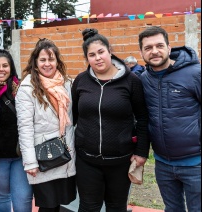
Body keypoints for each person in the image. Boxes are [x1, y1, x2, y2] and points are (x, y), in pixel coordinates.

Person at [71, 28, 149, 212]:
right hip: (86, 160)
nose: (97, 58)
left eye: (101, 52)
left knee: (116, 207)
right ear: (87, 58)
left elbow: (143, 118)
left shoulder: (131, 80)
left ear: (109, 51)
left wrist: (142, 151)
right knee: (88, 207)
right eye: (92, 55)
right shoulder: (81, 81)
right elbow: (73, 116)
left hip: (120, 161)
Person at [138, 26, 201, 212]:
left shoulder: (195, 73)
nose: (154, 51)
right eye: (148, 48)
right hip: (163, 164)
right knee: (172, 209)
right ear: (141, 52)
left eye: (159, 45)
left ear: (169, 47)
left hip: (195, 164)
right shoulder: (144, 79)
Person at [15, 38, 76, 212]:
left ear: (57, 61)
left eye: (51, 59)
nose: (47, 64)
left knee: (58, 205)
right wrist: (30, 162)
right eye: (42, 60)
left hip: (65, 154)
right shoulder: (27, 88)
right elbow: (24, 128)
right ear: (35, 63)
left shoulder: (66, 83)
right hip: (44, 156)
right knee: (48, 206)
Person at [0, 49, 33, 212]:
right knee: (0, 199)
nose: (1, 69)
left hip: (20, 155)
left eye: (5, 65)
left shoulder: (22, 89)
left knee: (23, 200)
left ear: (11, 67)